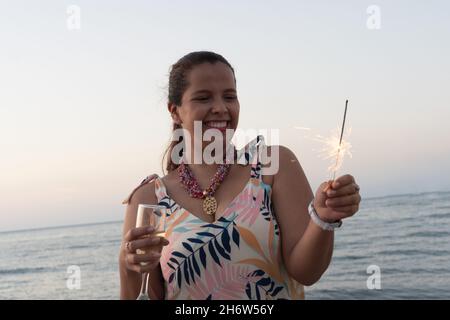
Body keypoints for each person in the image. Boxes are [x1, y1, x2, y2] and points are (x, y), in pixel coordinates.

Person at [119, 51, 361, 300]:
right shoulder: (149, 198)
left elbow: (307, 273)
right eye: (203, 98)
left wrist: (322, 219)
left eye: (230, 96)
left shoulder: (273, 166)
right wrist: (129, 268)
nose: (220, 108)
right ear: (175, 111)